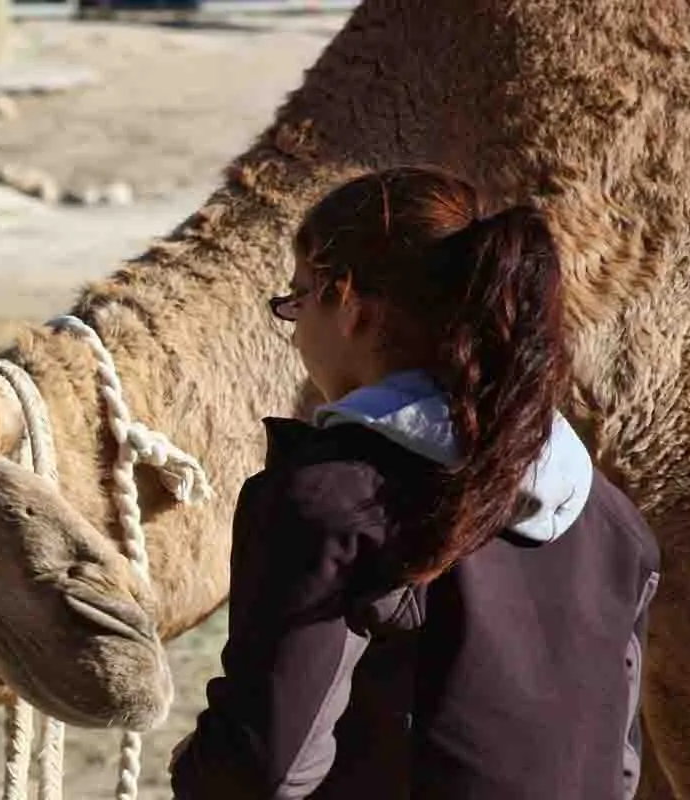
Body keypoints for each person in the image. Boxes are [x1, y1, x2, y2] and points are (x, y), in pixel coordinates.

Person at [168, 166, 662, 799]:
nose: (292, 328)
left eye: (297, 297)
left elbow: (267, 770)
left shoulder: (331, 504)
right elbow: (618, 773)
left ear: (350, 305)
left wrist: (193, 765)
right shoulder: (615, 525)